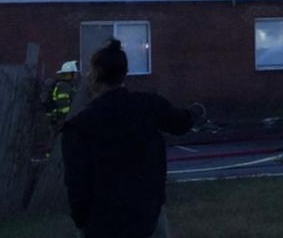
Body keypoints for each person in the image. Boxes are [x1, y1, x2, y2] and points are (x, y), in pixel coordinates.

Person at [62, 39, 196, 238]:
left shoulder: (80, 126)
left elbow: (76, 183)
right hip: (148, 217)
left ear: (96, 75)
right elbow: (180, 122)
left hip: (103, 223)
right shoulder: (148, 106)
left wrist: (82, 222)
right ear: (123, 73)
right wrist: (195, 112)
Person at [46, 60, 79, 132]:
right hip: (61, 122)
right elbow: (63, 105)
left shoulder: (67, 85)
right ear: (69, 74)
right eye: (74, 73)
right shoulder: (64, 86)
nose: (76, 75)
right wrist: (72, 117)